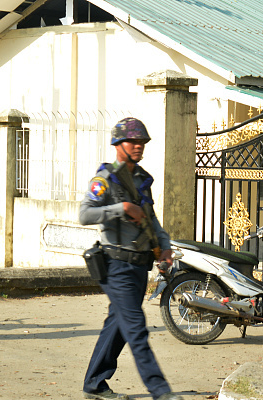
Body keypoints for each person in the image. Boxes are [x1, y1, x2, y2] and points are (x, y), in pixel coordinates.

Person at [79, 118, 183, 400]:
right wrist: (120, 207)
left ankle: (94, 384)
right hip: (115, 265)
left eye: (142, 142)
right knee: (136, 328)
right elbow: (84, 214)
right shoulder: (105, 178)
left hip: (139, 266)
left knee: (118, 325)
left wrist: (164, 247)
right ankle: (160, 391)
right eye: (132, 142)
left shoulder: (141, 180)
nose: (138, 146)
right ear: (118, 144)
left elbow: (152, 219)